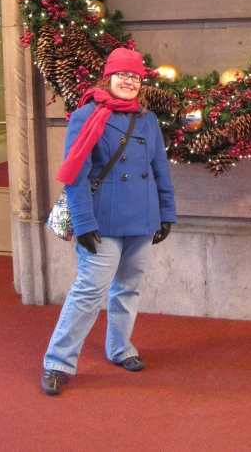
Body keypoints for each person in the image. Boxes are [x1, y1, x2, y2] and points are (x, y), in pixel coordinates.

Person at [41, 48, 176, 396]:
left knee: (128, 288)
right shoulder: (86, 116)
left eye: (135, 77)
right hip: (103, 221)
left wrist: (166, 212)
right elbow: (76, 176)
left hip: (142, 219)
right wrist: (83, 223)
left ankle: (120, 348)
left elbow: (159, 169)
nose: (129, 81)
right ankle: (57, 361)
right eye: (122, 75)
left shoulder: (147, 119)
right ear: (108, 78)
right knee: (88, 292)